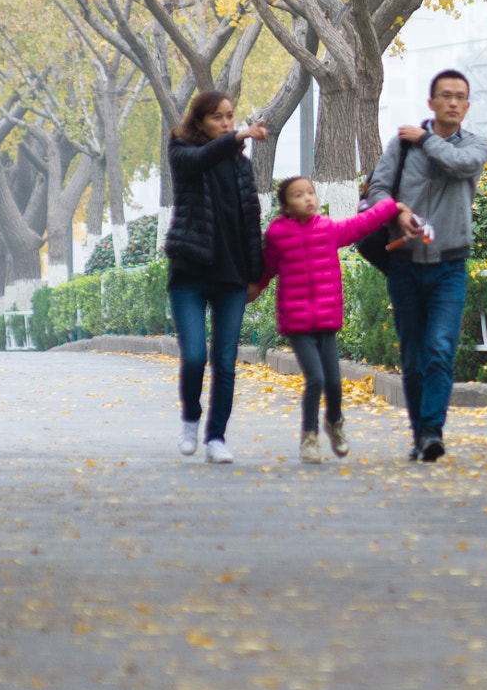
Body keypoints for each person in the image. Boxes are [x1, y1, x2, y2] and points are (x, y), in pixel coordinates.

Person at [363, 69, 487, 463]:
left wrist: (427, 139)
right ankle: (421, 435)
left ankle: (433, 430)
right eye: (445, 96)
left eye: (460, 97)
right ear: (431, 102)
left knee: (440, 348)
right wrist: (397, 211)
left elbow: (458, 165)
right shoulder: (401, 147)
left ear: (467, 107)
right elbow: (377, 190)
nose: (452, 102)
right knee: (414, 356)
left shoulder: (476, 146)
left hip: (450, 265)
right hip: (404, 262)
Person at [262, 177, 411, 463]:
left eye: (310, 193)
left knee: (333, 381)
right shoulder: (277, 234)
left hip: (325, 319)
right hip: (296, 322)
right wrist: (255, 287)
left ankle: (335, 423)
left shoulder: (327, 229)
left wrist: (390, 206)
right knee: (315, 378)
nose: (307, 198)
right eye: (298, 195)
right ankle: (309, 436)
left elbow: (360, 225)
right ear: (286, 207)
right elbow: (267, 266)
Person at [165, 91, 270, 465]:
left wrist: (256, 275)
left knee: (225, 361)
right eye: (217, 118)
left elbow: (251, 221)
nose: (227, 123)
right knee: (194, 356)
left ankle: (217, 437)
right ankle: (191, 419)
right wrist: (238, 137)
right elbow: (200, 158)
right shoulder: (181, 151)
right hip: (189, 274)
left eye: (230, 117)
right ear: (199, 121)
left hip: (232, 278)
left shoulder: (241, 167)